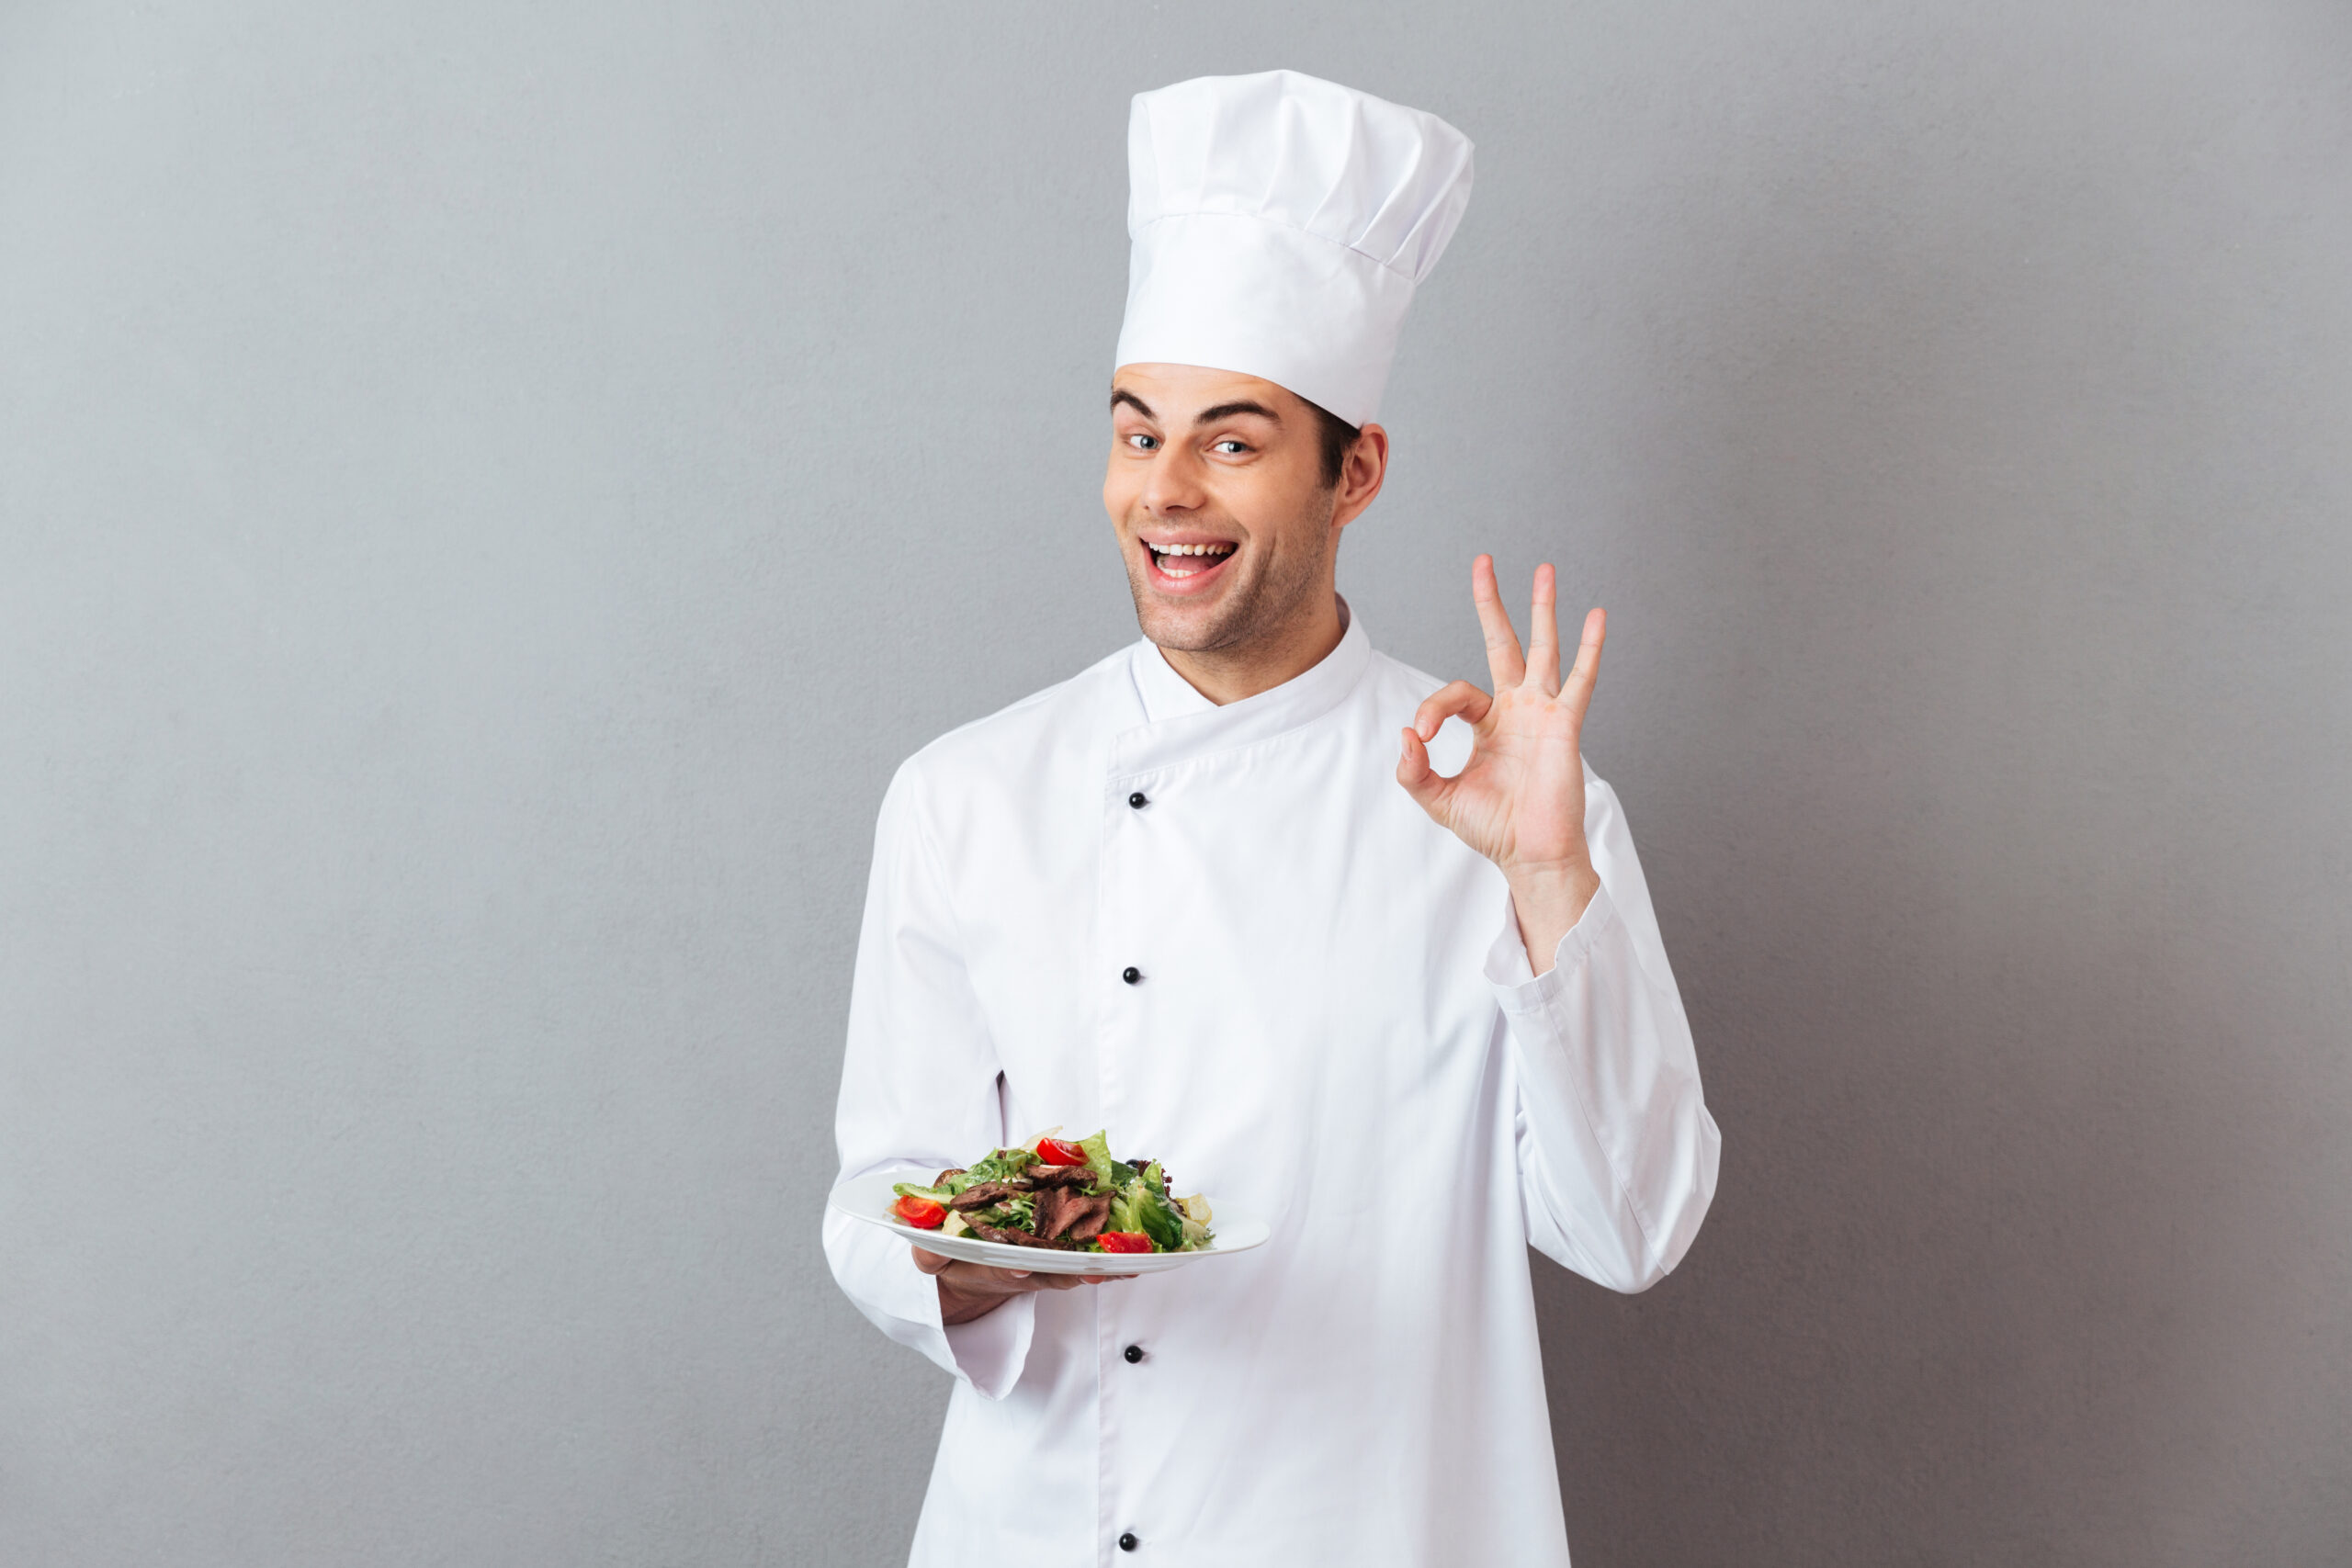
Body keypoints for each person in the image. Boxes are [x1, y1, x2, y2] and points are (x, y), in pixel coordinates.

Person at [823, 69, 1719, 1566]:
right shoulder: (966, 795)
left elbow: (1632, 1229)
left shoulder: (1503, 801)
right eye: (1135, 432)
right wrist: (979, 1264)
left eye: (1233, 442)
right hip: (1036, 1527)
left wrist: (1551, 876)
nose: (1166, 491)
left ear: (1353, 470)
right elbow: (882, 1197)